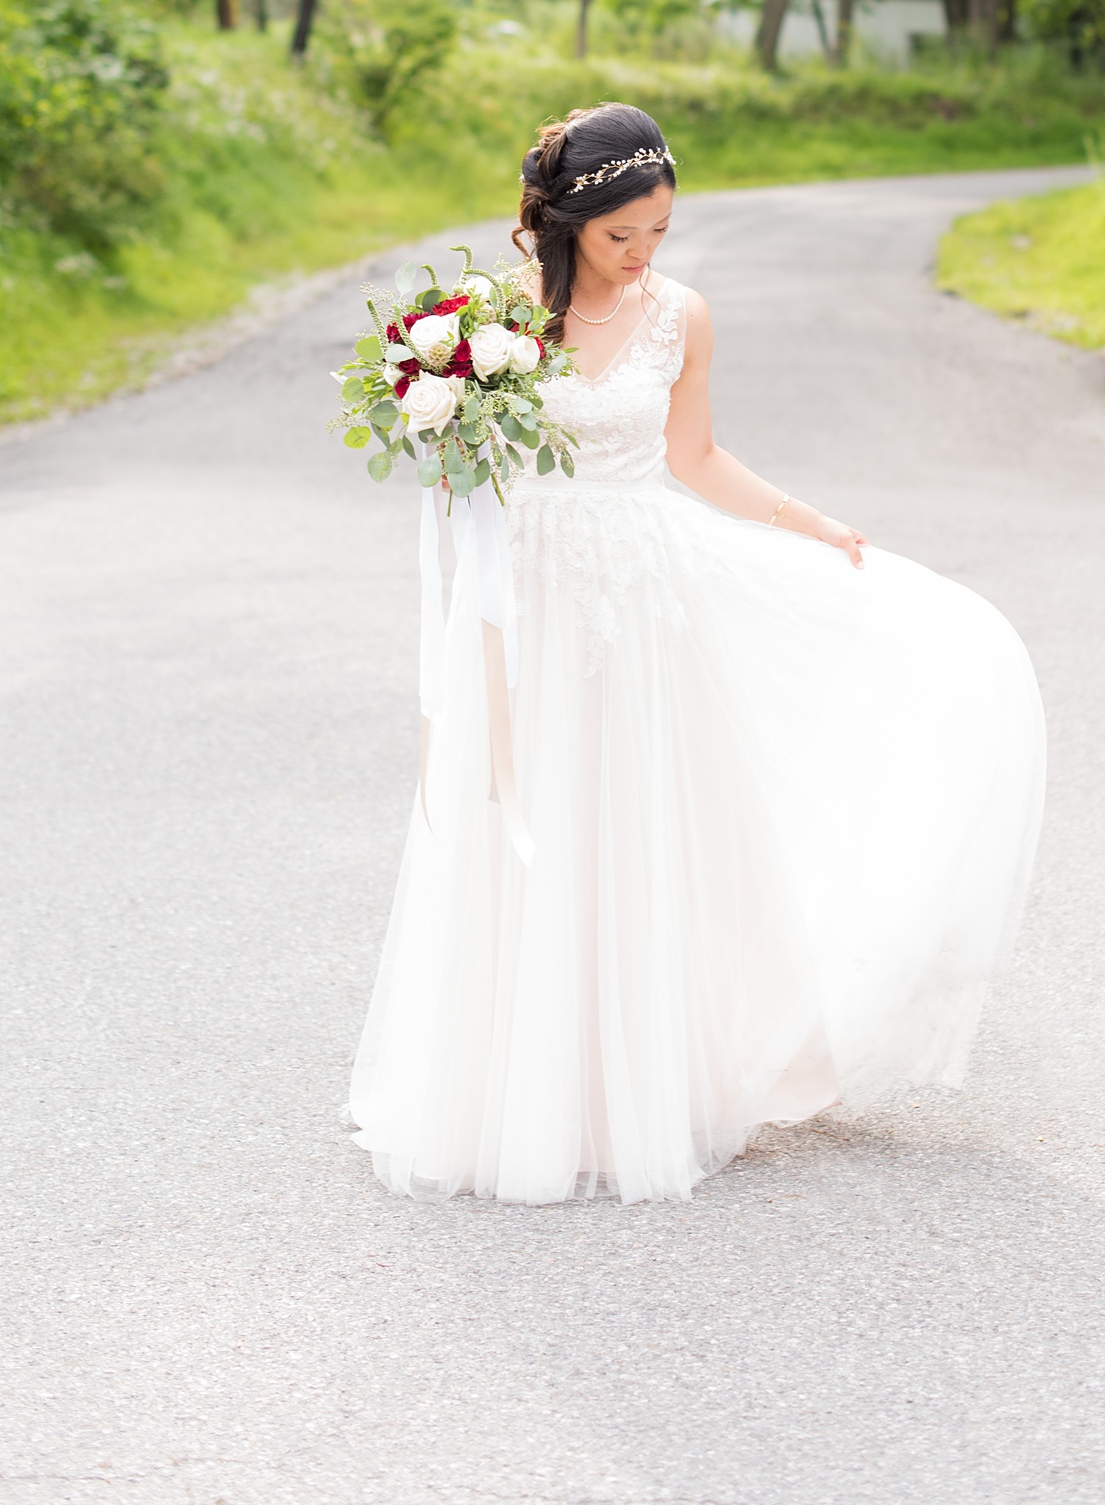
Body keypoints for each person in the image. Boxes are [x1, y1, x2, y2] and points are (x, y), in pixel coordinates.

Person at [349, 103, 1044, 1204]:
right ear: (567, 219)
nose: (641, 256)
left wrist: (809, 522)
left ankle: (650, 1081)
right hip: (525, 599)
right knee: (526, 824)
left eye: (659, 233)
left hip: (638, 599)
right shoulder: (484, 324)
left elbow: (696, 457)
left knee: (634, 825)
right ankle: (518, 1090)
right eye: (622, 235)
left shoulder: (681, 317)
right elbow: (465, 473)